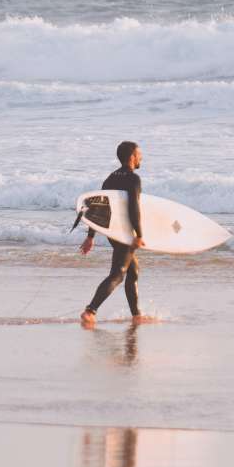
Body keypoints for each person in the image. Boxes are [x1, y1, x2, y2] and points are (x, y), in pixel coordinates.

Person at [78, 141, 150, 328]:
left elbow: (99, 209)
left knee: (133, 272)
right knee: (118, 274)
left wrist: (90, 236)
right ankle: (90, 311)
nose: (141, 157)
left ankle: (136, 316)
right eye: (139, 154)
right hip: (125, 232)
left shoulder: (109, 179)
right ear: (132, 157)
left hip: (113, 232)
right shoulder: (133, 179)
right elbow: (134, 208)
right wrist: (139, 234)